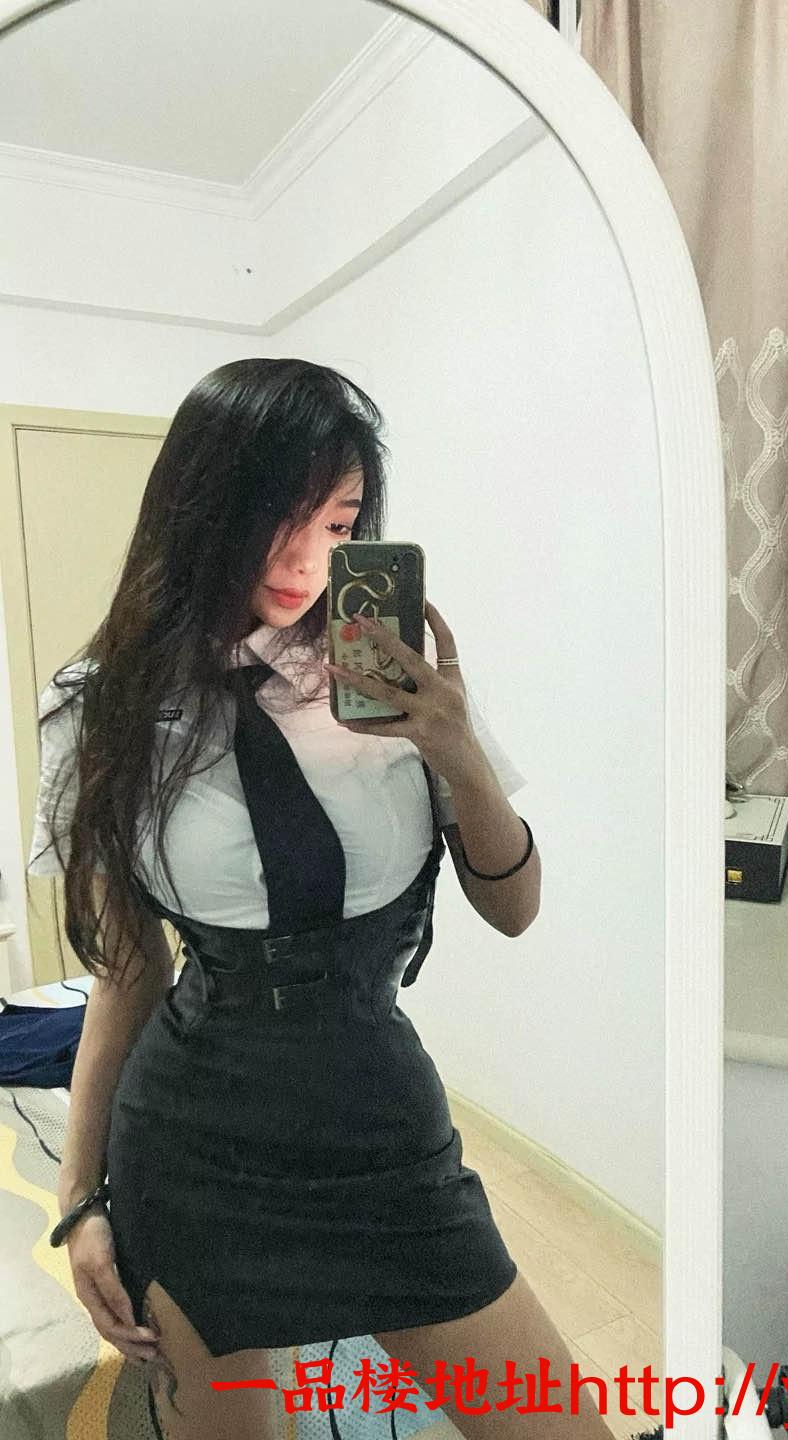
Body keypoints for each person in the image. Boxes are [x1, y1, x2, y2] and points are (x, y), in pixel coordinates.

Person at [29, 358, 639, 1440]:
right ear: (202, 508)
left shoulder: (397, 673)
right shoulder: (101, 708)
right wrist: (82, 1200)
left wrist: (458, 753)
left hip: (378, 1128)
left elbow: (516, 908)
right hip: (195, 1151)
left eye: (340, 523)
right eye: (278, 516)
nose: (306, 558)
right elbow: (128, 974)